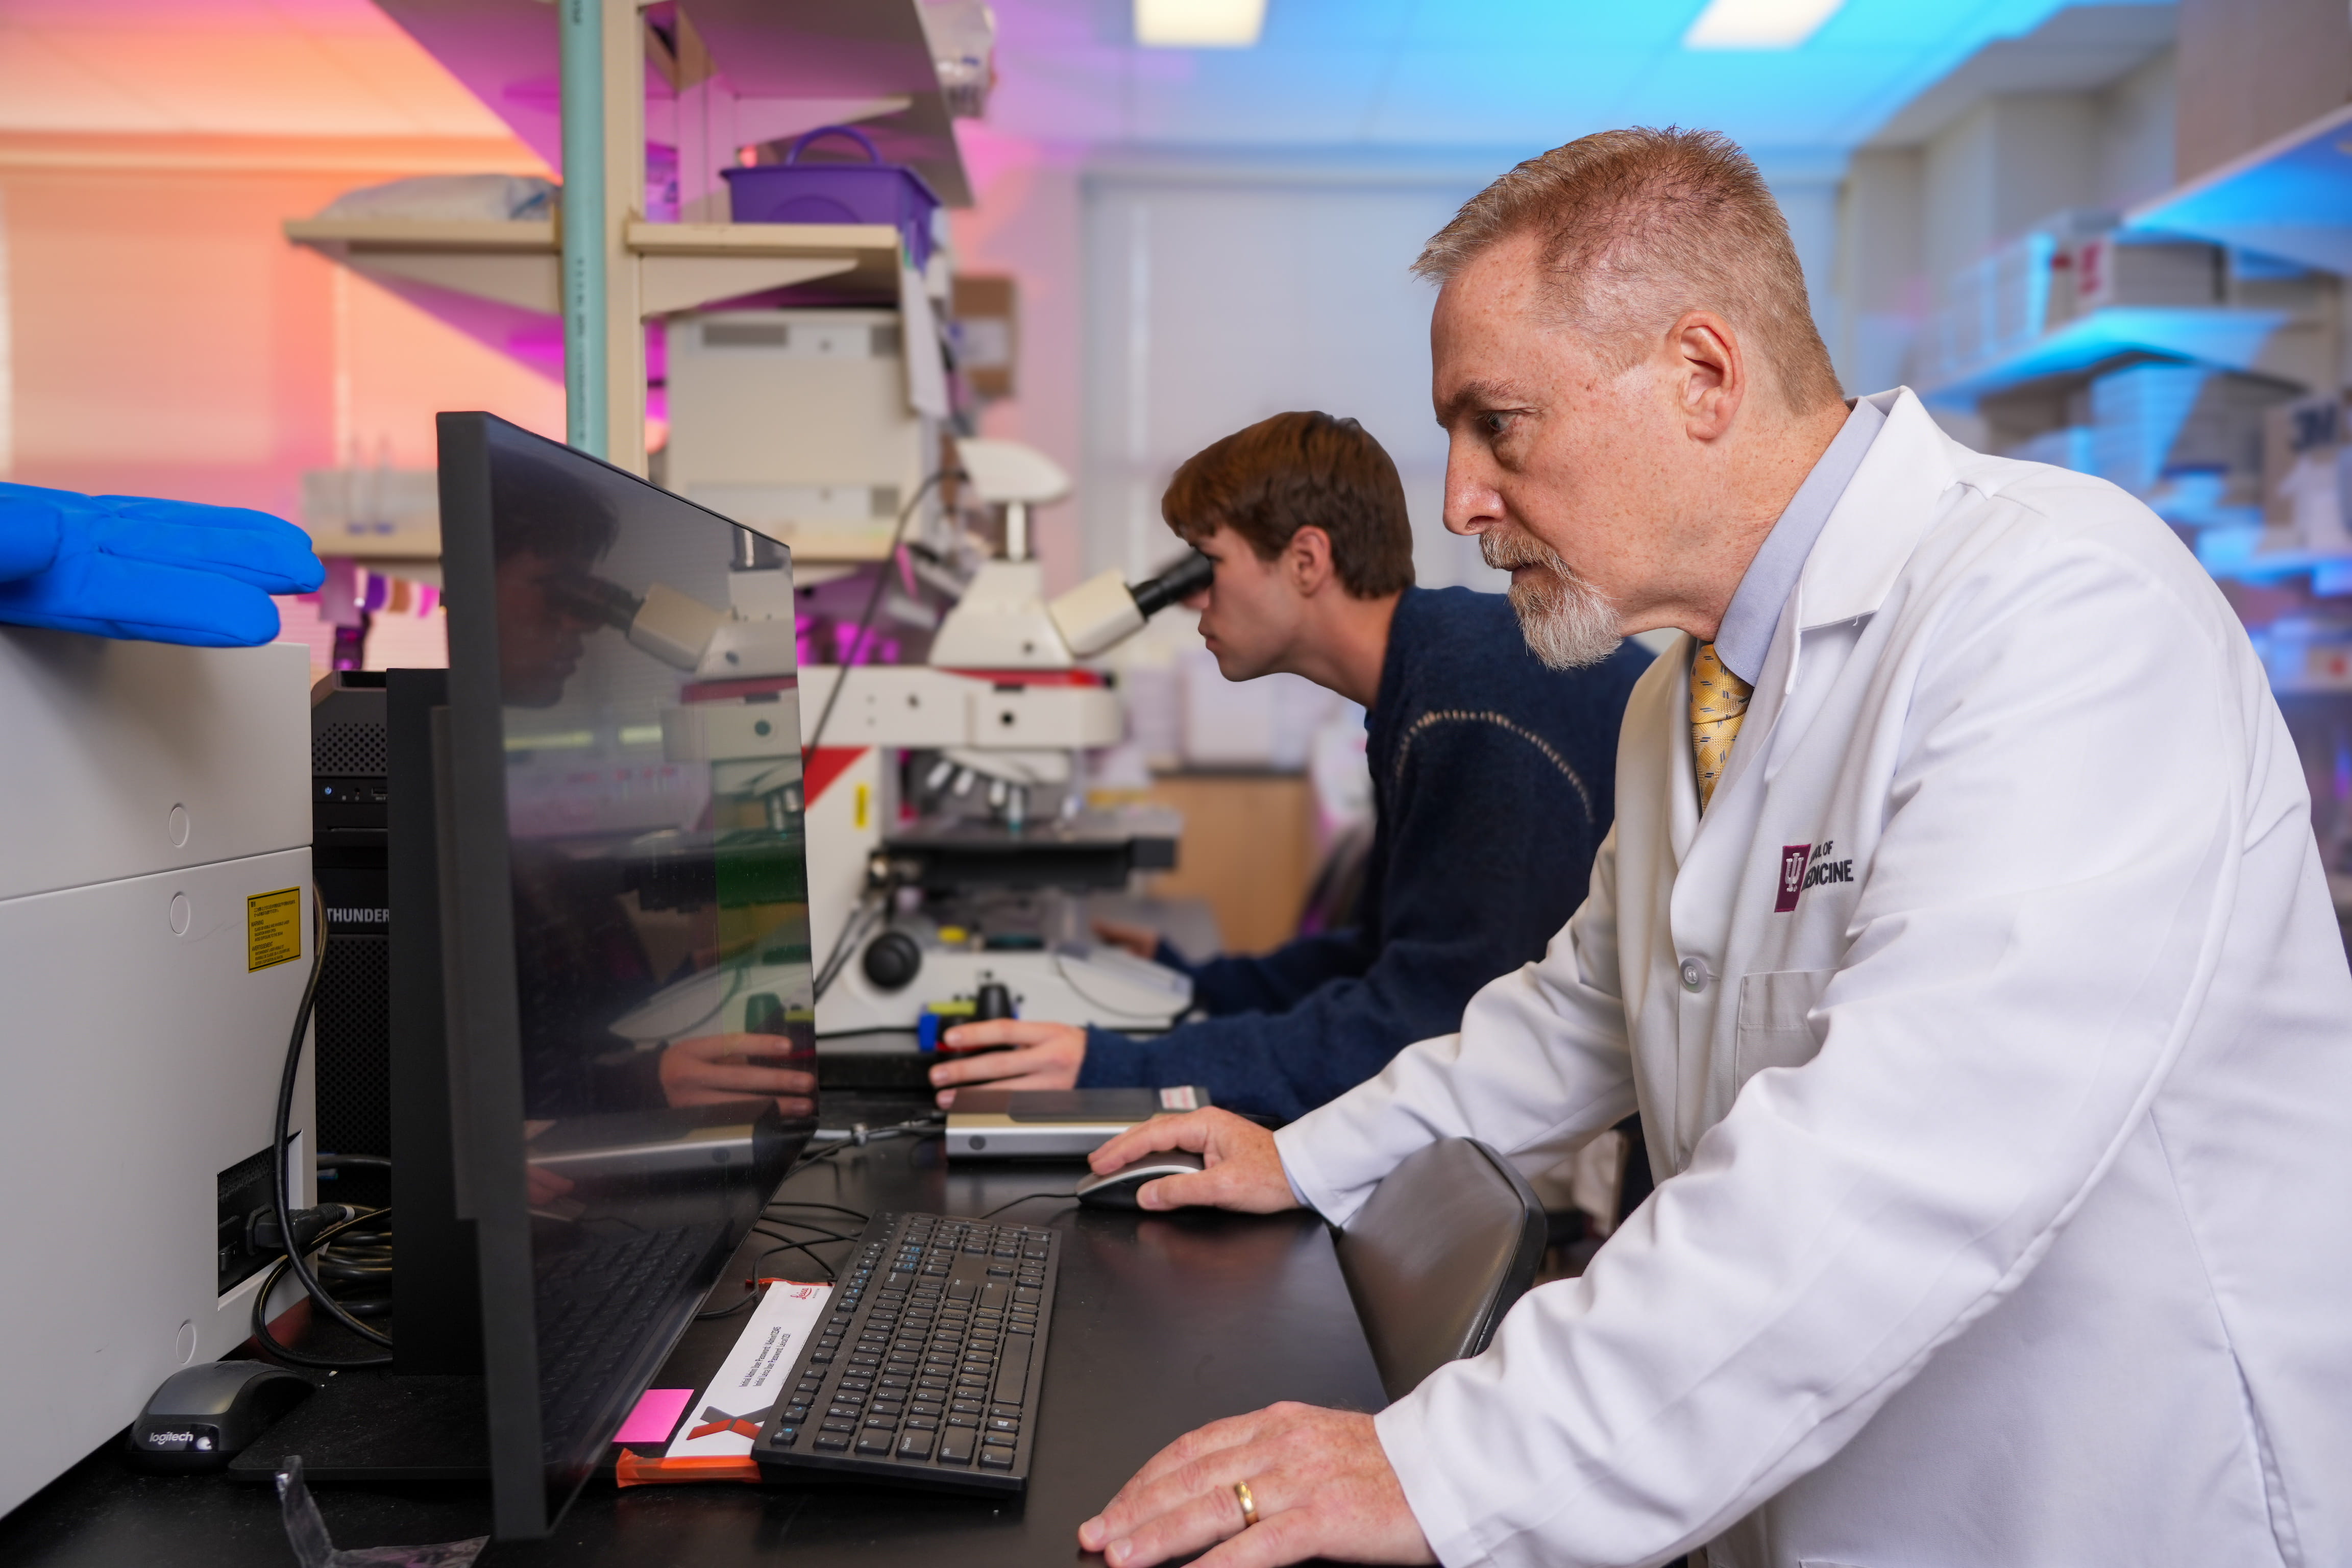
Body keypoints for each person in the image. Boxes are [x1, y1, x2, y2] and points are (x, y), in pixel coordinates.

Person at [1066, 128, 2352, 1568]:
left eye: (1499, 423)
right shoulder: (1688, 689)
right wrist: (1303, 1162)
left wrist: (1431, 1468)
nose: (1458, 502)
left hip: (2106, 1507)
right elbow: (1578, 1019)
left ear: (1702, 375)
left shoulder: (2062, 613)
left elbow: (1897, 1163)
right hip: (1818, 1492)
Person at [926, 410, 1650, 1122]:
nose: (1191, 603)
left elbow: (1427, 1020)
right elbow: (1385, 958)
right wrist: (1193, 983)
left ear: (1307, 560)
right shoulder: (1426, 678)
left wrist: (1117, 1067)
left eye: (1205, 566)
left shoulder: (1466, 703)